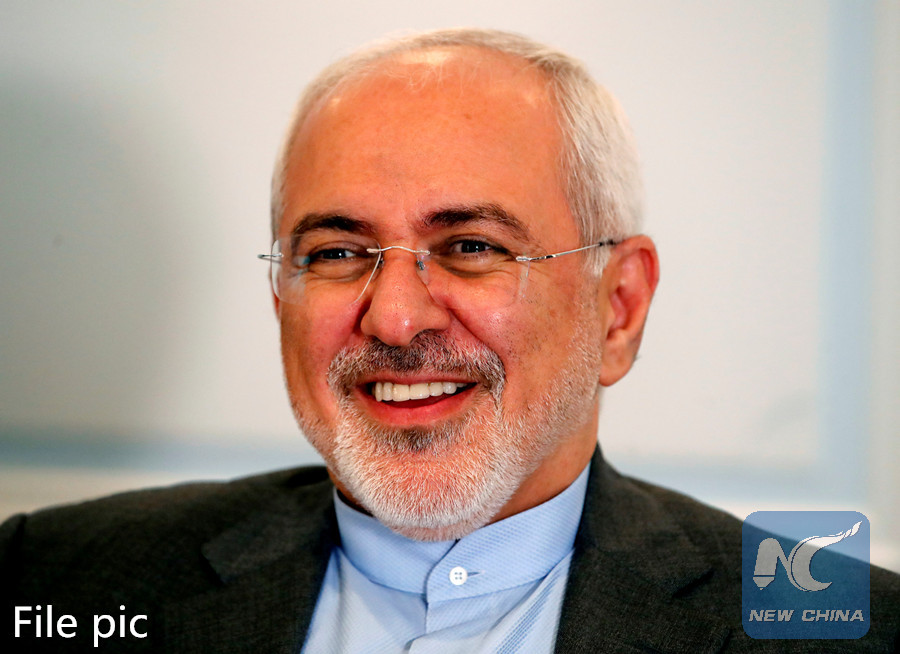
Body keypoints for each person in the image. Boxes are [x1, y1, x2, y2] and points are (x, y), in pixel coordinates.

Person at [2, 28, 898, 653]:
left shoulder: (846, 632)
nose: (395, 319)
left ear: (618, 307)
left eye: (472, 247)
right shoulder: (55, 583)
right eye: (338, 252)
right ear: (280, 295)